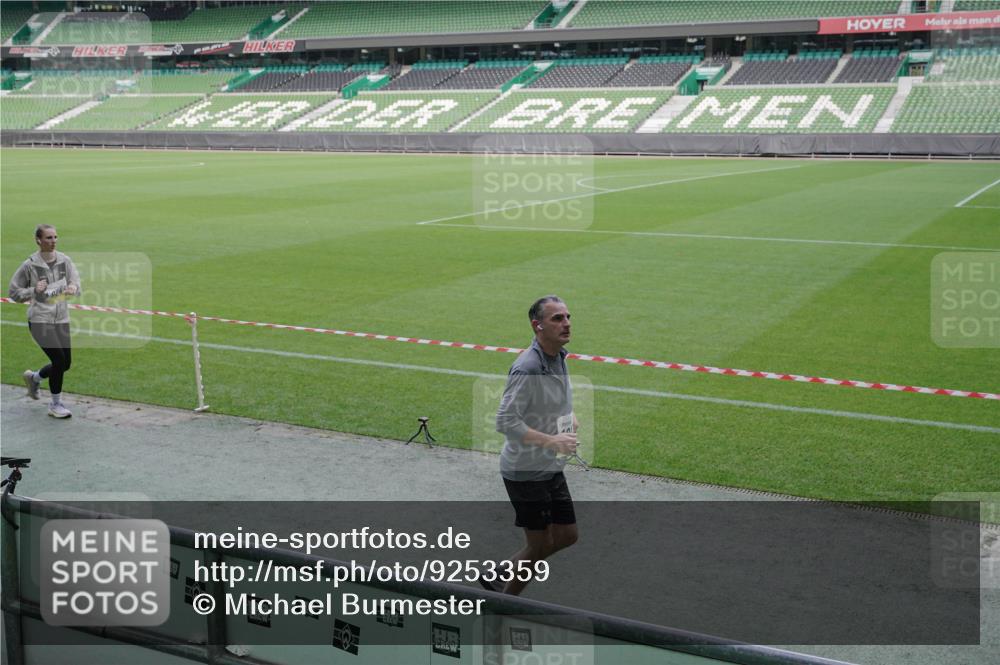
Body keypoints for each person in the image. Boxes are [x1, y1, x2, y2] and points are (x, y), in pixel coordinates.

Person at [487, 295, 579, 596]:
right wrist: (553, 440)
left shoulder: (558, 355)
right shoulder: (527, 367)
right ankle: (503, 604)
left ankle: (501, 572)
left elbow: (552, 400)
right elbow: (505, 422)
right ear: (537, 326)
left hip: (549, 466)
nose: (566, 323)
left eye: (567, 317)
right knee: (539, 547)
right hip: (525, 472)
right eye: (557, 318)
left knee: (567, 535)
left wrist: (569, 416)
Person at [8, 224, 81, 418]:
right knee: (58, 360)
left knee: (65, 364)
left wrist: (73, 287)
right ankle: (55, 405)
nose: (53, 241)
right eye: (48, 238)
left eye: (55, 237)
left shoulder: (65, 261)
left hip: (61, 319)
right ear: (38, 240)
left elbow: (76, 283)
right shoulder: (29, 265)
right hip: (40, 320)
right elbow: (14, 293)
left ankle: (34, 378)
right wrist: (34, 291)